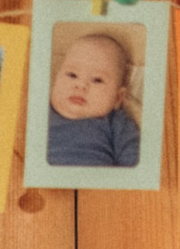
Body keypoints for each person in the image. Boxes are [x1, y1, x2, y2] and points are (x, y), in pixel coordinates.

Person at [44, 26, 141, 168]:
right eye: (72, 75)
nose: (80, 85)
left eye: (97, 80)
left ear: (117, 98)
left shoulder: (117, 123)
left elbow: (136, 163)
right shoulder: (39, 112)